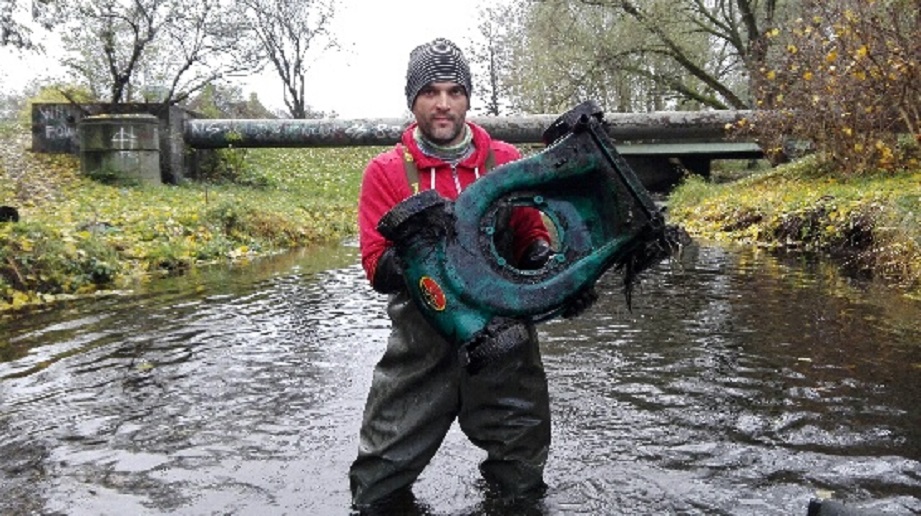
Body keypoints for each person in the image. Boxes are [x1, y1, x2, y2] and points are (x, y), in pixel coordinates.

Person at [349, 37, 594, 510]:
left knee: (521, 481)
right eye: (430, 92)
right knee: (377, 488)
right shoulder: (385, 172)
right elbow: (376, 265)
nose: (443, 104)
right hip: (421, 352)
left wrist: (553, 271)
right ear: (412, 100)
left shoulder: (505, 160)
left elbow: (528, 237)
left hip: (507, 345)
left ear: (467, 98)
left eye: (454, 91)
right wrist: (422, 250)